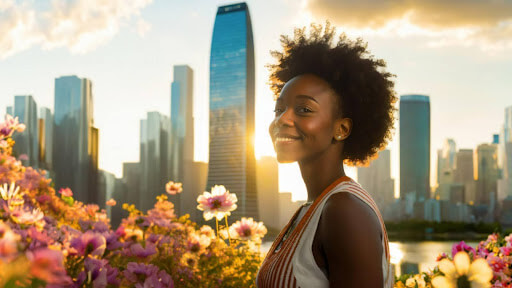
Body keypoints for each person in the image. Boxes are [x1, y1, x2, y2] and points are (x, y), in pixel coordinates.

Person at [256, 23, 397, 288]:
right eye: (279, 109)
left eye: (304, 110)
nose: (283, 120)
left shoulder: (343, 210)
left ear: (341, 128)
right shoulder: (310, 208)